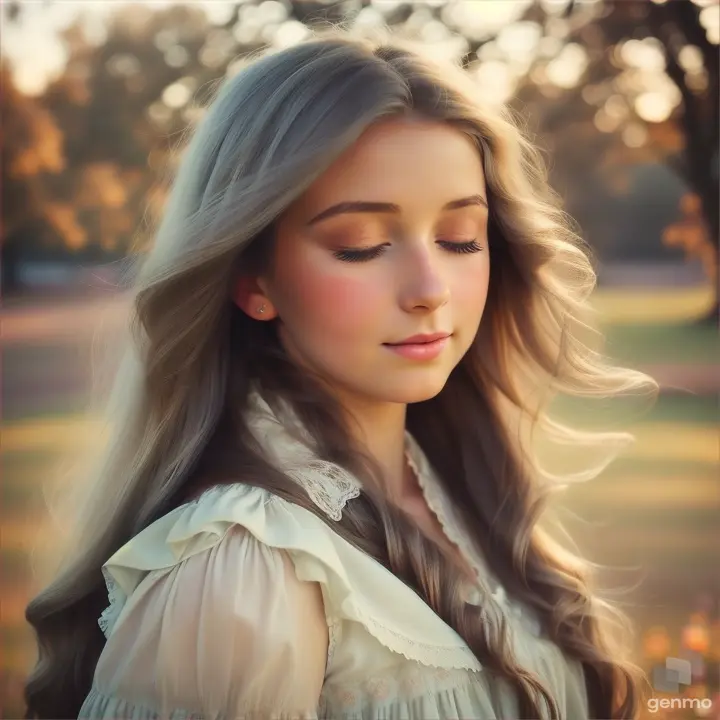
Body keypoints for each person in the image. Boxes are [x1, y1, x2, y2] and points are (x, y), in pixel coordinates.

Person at [24, 29, 655, 720]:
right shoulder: (241, 569)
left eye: (459, 239)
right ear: (251, 278)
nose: (429, 287)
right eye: (361, 246)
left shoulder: (462, 486)